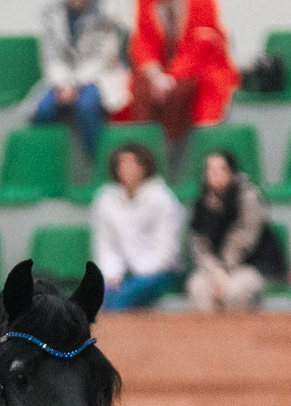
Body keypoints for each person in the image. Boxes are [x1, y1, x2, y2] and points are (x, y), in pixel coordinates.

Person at [125, 0, 239, 165]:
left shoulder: (202, 4)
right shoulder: (145, 3)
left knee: (180, 91)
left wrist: (170, 77)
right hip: (161, 73)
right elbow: (143, 41)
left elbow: (201, 45)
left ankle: (171, 156)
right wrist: (154, 74)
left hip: (200, 67)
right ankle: (145, 153)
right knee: (141, 89)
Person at [186, 149, 283, 312]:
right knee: (197, 288)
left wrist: (225, 270)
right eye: (210, 169)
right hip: (213, 269)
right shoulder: (201, 203)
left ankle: (240, 329)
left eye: (220, 169)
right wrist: (215, 271)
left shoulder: (249, 198)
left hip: (250, 265)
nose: (214, 174)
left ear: (232, 172)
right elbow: (199, 245)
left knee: (235, 291)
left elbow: (245, 239)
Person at [33, 0, 131, 160]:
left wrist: (73, 84)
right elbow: (52, 57)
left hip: (98, 76)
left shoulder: (106, 15)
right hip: (62, 80)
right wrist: (64, 83)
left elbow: (103, 57)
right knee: (43, 109)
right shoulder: (51, 15)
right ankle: (45, 162)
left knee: (86, 106)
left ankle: (99, 161)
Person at [93, 141, 184, 308]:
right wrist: (112, 273)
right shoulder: (105, 199)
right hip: (121, 275)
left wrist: (137, 273)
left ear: (145, 167)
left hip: (159, 273)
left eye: (133, 163)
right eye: (122, 163)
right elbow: (105, 245)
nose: (126, 169)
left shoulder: (163, 199)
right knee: (97, 298)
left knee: (120, 301)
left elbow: (166, 252)